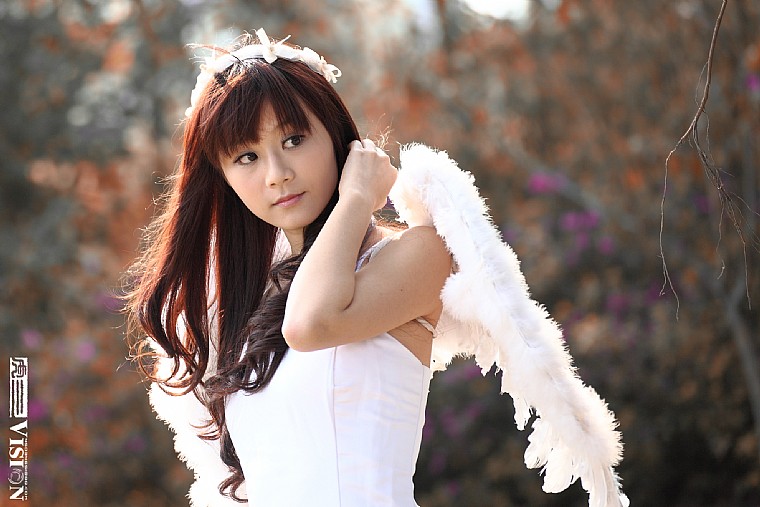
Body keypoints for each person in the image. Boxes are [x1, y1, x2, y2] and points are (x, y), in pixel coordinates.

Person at [127, 29, 628, 507]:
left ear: (336, 136)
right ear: (223, 177)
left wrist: (357, 198)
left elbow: (309, 325)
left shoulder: (417, 253)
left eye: (294, 140)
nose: (277, 174)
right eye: (247, 157)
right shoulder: (249, 301)